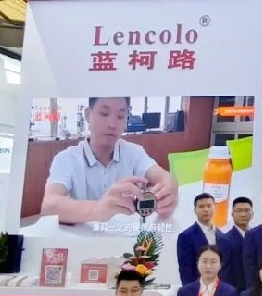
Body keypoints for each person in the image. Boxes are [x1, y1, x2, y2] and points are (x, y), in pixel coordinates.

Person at [41, 96, 178, 224]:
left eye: (120, 116)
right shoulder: (66, 159)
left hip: (125, 237)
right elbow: (49, 206)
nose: (112, 124)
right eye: (104, 113)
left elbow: (166, 178)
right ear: (88, 115)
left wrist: (167, 195)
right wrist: (98, 209)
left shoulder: (134, 152)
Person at [176, 193, 218, 285]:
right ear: (195, 210)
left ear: (214, 208)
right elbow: (186, 271)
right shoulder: (186, 236)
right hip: (199, 289)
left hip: (221, 288)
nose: (206, 209)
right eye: (201, 206)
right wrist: (191, 291)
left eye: (209, 206)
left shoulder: (221, 235)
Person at [217, 196, 253, 291]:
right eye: (239, 211)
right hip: (235, 292)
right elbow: (224, 272)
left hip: (256, 292)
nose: (243, 214)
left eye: (246, 210)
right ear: (232, 214)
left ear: (252, 214)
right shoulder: (225, 240)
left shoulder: (257, 236)